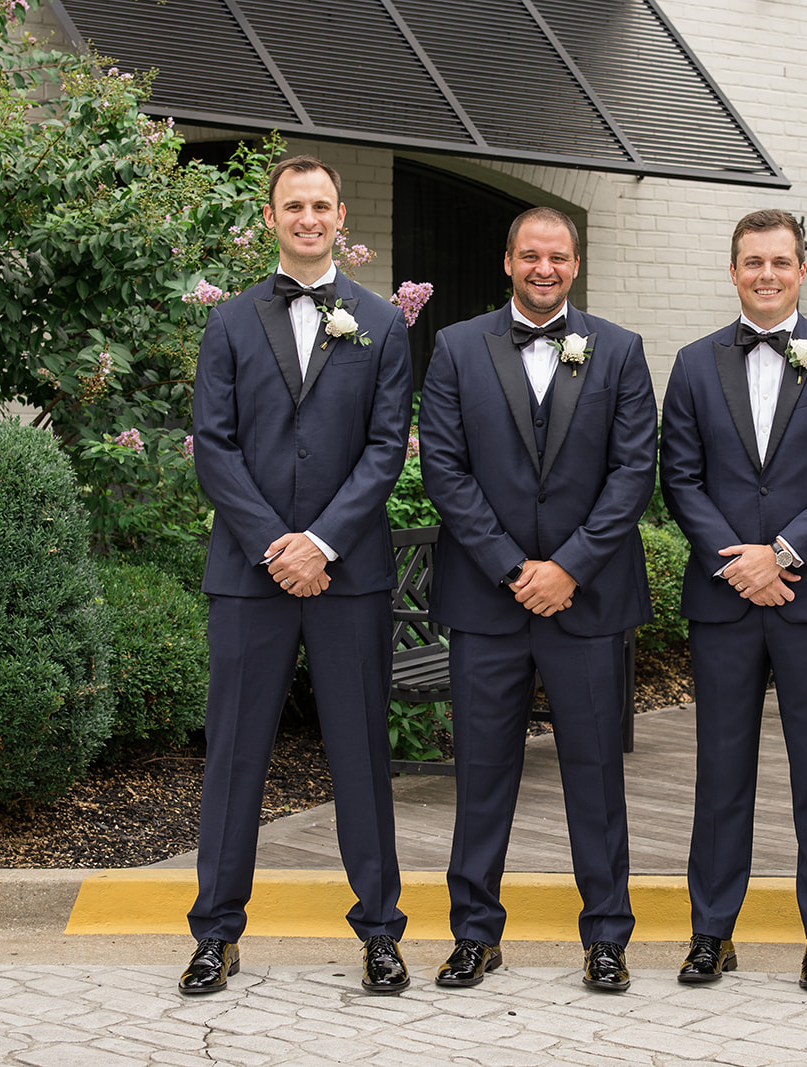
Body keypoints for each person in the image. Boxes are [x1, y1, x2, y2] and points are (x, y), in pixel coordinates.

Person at [182, 155, 414, 997]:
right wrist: (276, 544)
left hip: (347, 579)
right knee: (235, 756)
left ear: (340, 217)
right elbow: (215, 446)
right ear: (272, 216)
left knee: (360, 757)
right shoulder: (232, 323)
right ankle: (215, 932)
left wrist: (321, 542)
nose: (309, 218)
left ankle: (381, 931)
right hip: (249, 575)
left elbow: (386, 448)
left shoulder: (382, 325)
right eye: (294, 206)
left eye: (321, 205)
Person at [418, 206, 657, 992]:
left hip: (585, 603)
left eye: (557, 256)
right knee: (484, 773)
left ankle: (607, 937)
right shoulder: (455, 348)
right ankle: (475, 934)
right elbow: (445, 471)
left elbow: (633, 473)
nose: (544, 268)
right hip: (488, 601)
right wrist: (511, 566)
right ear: (509, 260)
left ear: (575, 264)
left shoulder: (620, 350)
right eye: (530, 255)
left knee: (595, 776)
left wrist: (571, 567)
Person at [659, 209, 807, 990]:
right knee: (721, 769)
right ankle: (711, 931)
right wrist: (738, 563)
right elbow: (678, 478)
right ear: (732, 271)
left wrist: (781, 554)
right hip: (723, 600)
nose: (766, 273)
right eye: (752, 261)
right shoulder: (692, 364)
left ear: (801, 271)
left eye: (780, 261)